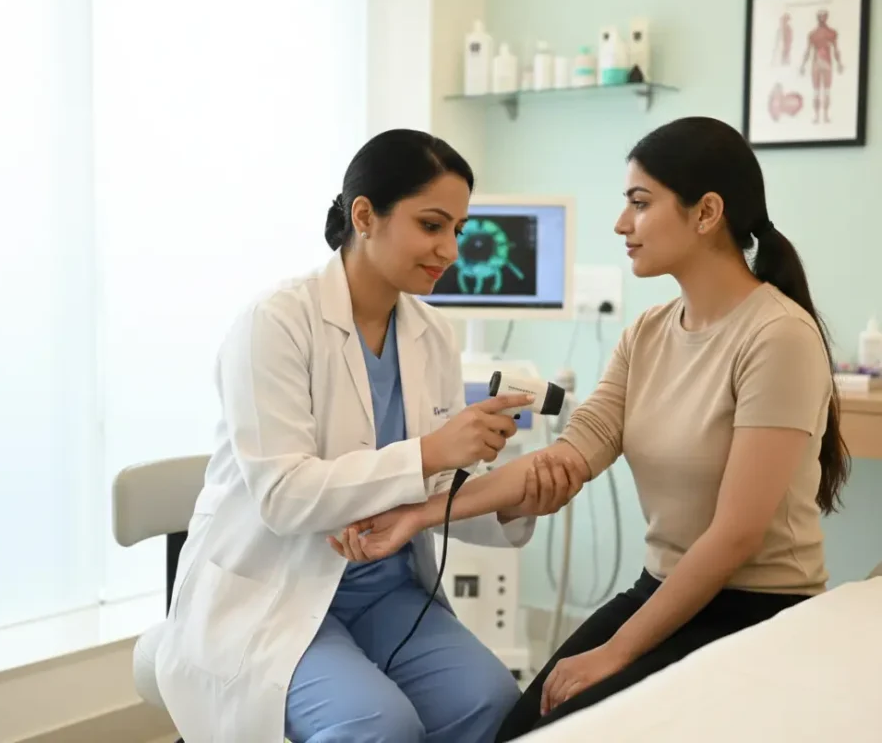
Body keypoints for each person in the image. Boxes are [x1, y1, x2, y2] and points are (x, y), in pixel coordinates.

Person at [331, 117, 850, 739]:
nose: (620, 223)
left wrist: (616, 652)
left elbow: (736, 536)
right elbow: (574, 453)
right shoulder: (649, 334)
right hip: (661, 589)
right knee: (521, 725)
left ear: (707, 212)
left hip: (757, 607)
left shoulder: (778, 337)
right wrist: (418, 514)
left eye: (639, 202)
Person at [153, 128, 583, 743]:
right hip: (278, 590)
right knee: (379, 727)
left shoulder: (430, 334)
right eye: (432, 225)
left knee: (493, 704)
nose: (451, 251)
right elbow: (282, 495)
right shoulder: (275, 323)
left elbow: (427, 492)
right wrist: (438, 448)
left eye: (458, 230)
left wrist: (517, 500)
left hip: (386, 594)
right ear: (364, 216)